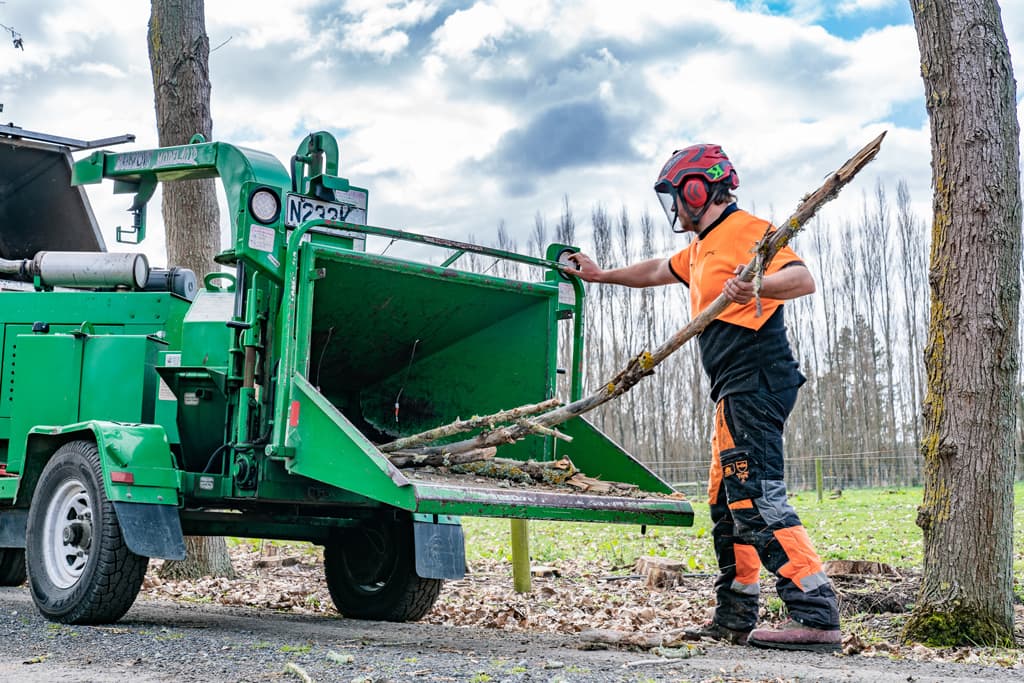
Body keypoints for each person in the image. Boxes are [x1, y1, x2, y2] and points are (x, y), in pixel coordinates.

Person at [567, 144, 841, 652]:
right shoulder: (700, 248)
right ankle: (737, 614)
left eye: (678, 196)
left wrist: (756, 284)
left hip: (755, 379)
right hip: (729, 391)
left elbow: (802, 279)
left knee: (756, 496)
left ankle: (816, 612)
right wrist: (601, 275)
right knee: (724, 501)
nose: (675, 208)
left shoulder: (748, 231)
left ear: (700, 189)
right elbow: (654, 271)